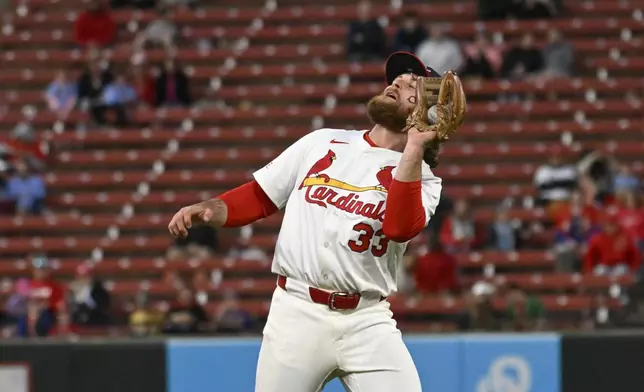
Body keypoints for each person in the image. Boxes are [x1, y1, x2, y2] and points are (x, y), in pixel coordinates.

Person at [168, 51, 457, 391]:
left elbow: (397, 227)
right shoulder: (324, 142)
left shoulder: (423, 179)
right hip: (296, 312)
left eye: (413, 86)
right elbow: (262, 196)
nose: (398, 82)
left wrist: (414, 149)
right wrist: (215, 207)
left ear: (428, 115)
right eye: (397, 79)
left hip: (366, 319)